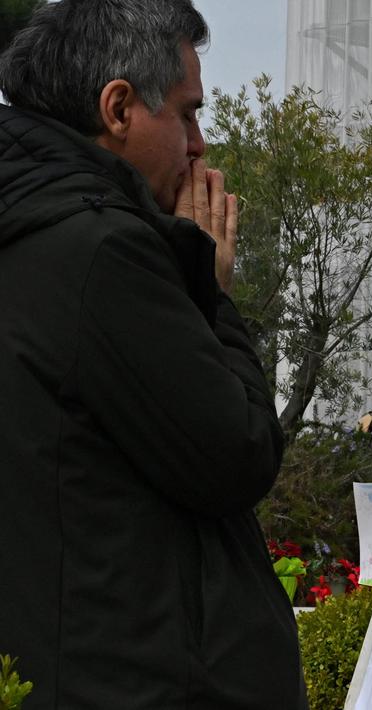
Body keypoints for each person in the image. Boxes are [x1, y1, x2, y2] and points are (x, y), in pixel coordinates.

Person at [0, 2, 306, 706]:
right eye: (186, 114)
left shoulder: (24, 226)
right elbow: (235, 455)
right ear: (118, 108)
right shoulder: (102, 252)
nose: (198, 145)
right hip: (142, 680)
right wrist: (212, 293)